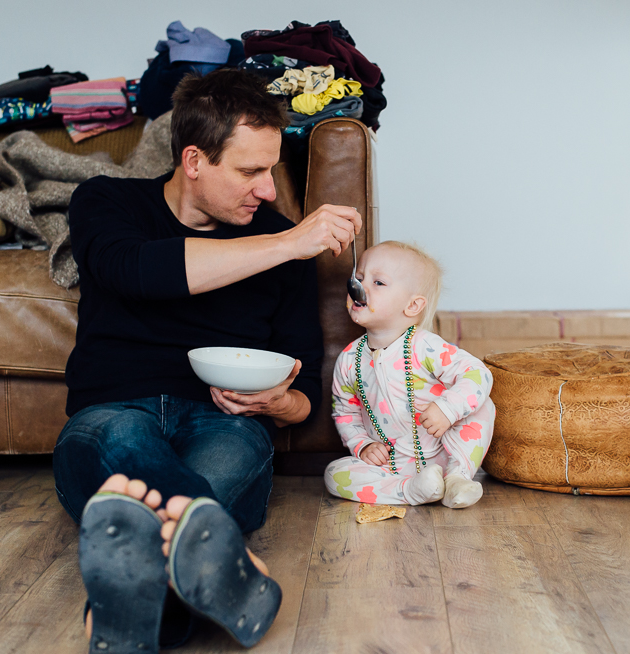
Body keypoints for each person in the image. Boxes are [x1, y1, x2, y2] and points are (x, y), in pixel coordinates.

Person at [52, 68, 361, 651]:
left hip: (226, 423)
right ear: (194, 161)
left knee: (218, 468)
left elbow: (305, 395)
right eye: (250, 171)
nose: (269, 190)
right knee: (123, 445)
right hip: (114, 409)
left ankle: (145, 610)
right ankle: (227, 568)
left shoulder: (278, 243)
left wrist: (282, 401)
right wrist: (290, 243)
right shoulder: (107, 200)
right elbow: (137, 271)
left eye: (271, 169)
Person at [325, 241, 495, 508]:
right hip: (390, 465)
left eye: (378, 282)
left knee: (484, 405)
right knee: (334, 474)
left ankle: (457, 479)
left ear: (413, 305)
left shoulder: (425, 346)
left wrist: (448, 408)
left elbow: (478, 374)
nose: (359, 287)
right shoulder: (349, 360)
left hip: (444, 451)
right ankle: (410, 490)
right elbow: (345, 412)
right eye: (359, 278)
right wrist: (363, 445)